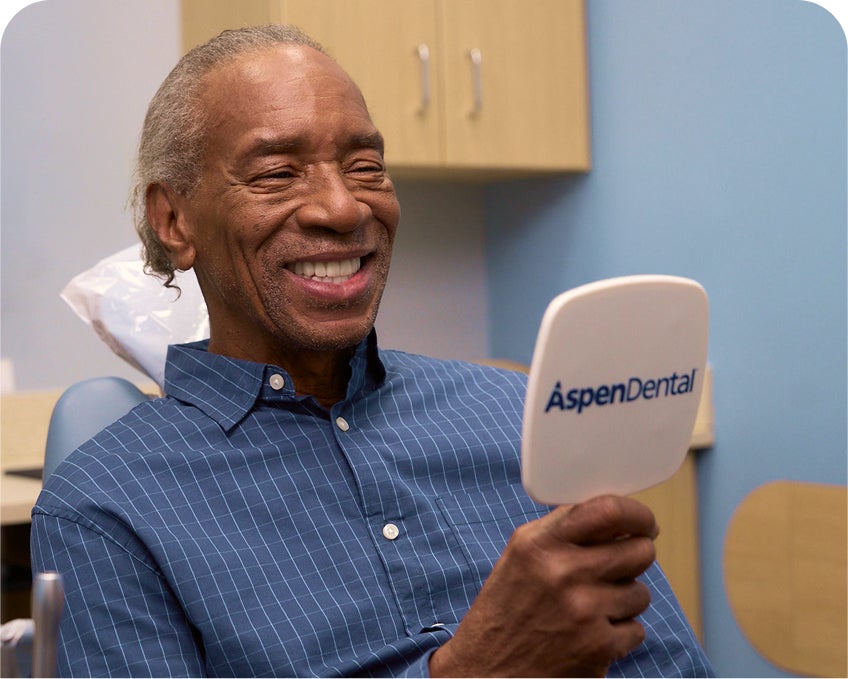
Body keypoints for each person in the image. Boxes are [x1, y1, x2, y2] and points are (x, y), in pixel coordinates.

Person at [31, 24, 714, 677]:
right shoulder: (105, 508)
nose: (342, 207)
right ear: (174, 220)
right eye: (277, 172)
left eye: (365, 166)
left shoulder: (518, 415)